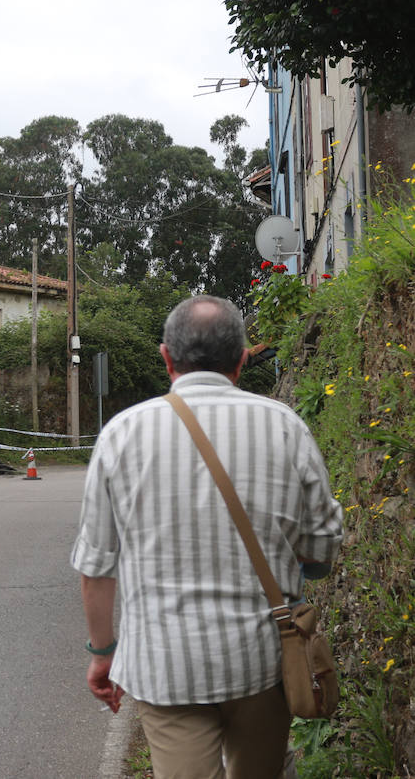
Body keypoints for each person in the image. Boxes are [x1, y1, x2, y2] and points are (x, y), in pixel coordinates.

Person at [70, 295, 344, 779]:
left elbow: (97, 565)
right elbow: (323, 542)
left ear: (166, 358)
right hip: (263, 659)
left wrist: (102, 654)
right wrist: (293, 567)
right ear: (242, 359)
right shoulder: (285, 426)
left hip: (164, 666)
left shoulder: (122, 434)